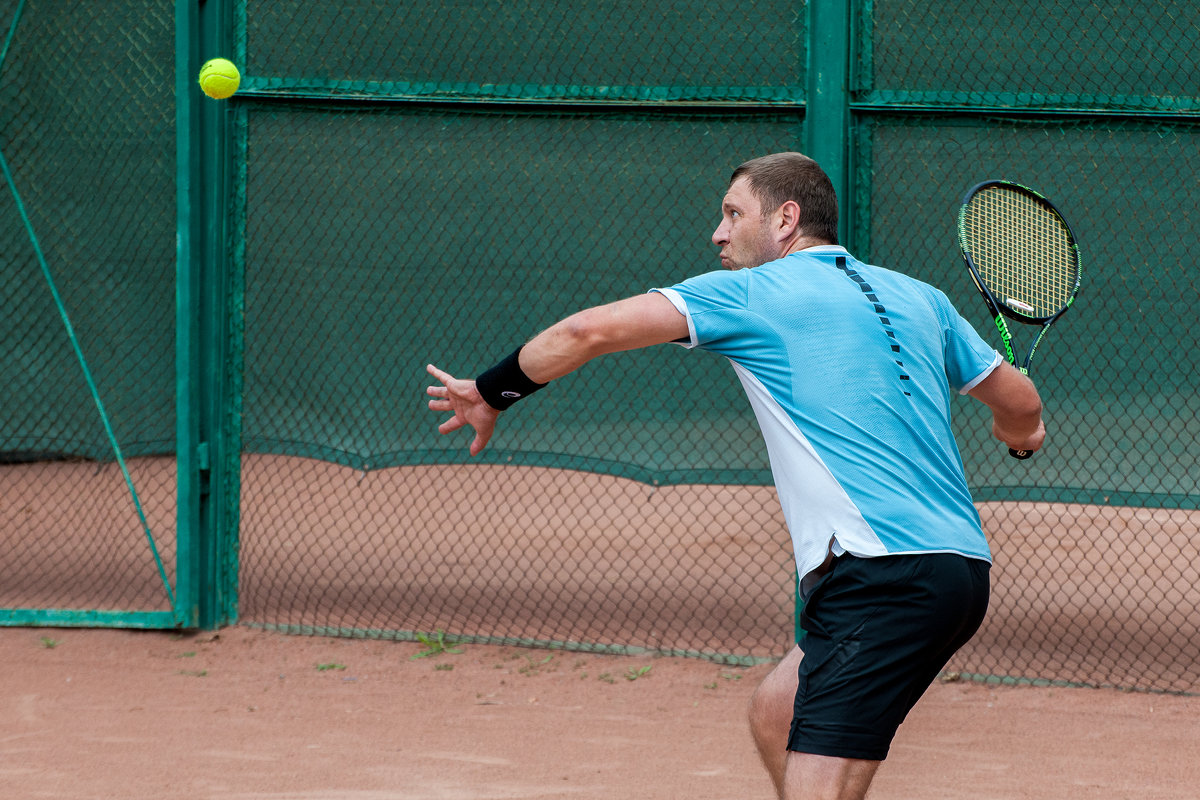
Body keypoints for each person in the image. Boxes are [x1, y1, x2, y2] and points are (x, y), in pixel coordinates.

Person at [425, 152, 1045, 800]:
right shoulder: (923, 299)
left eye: (732, 214)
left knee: (818, 785)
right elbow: (1021, 406)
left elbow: (588, 330)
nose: (718, 234)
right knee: (779, 710)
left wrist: (493, 393)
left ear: (786, 220)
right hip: (958, 569)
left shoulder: (753, 294)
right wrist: (1018, 438)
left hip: (882, 574)